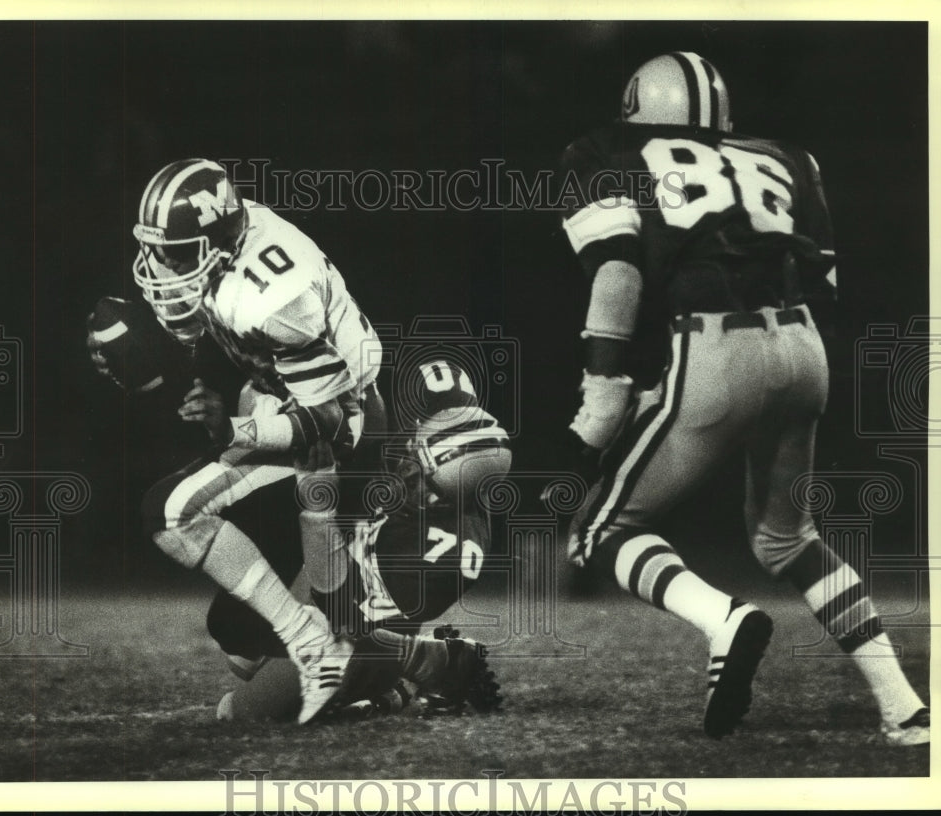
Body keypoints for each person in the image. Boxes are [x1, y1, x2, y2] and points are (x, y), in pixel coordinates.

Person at [557, 52, 929, 744]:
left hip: (714, 346)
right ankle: (904, 707)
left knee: (599, 532)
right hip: (804, 346)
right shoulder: (787, 158)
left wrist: (604, 388)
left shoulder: (606, 154)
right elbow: (824, 282)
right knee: (789, 539)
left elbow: (617, 275)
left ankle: (723, 619)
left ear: (637, 107)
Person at [91, 157, 387, 723]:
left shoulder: (274, 295)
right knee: (240, 638)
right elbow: (231, 344)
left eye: (177, 253)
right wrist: (141, 349)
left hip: (348, 436)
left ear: (218, 244)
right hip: (293, 414)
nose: (161, 265)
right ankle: (380, 672)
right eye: (158, 249)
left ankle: (334, 645)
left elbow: (327, 421)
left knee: (171, 512)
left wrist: (232, 429)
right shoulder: (232, 241)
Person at [213, 358, 511, 722]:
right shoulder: (428, 399)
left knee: (239, 713)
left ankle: (428, 667)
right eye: (415, 463)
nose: (409, 477)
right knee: (238, 647)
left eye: (427, 487)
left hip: (362, 622)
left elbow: (338, 606)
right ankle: (392, 685)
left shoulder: (443, 555)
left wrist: (318, 504)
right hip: (350, 545)